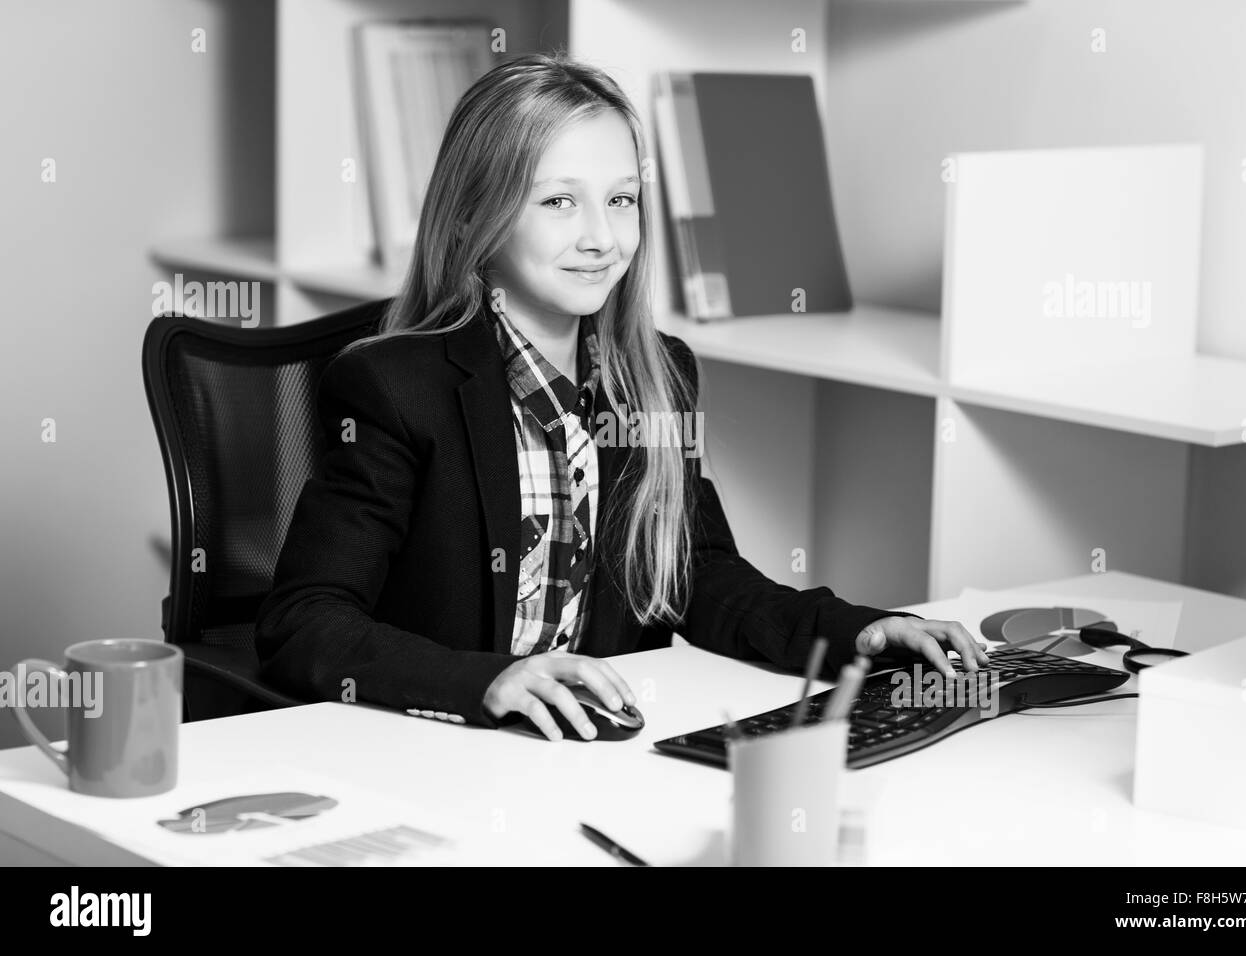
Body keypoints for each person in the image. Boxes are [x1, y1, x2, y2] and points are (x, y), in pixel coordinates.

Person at [254, 52, 988, 742]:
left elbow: (696, 575)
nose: (602, 236)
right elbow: (304, 621)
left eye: (621, 200)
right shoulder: (395, 387)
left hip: (597, 749)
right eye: (559, 202)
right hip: (443, 747)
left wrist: (854, 633)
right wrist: (488, 682)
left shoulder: (656, 376)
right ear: (479, 215)